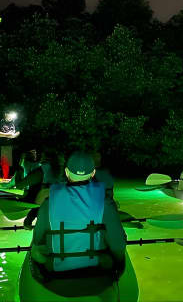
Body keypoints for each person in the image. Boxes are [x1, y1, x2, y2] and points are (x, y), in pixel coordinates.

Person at [30, 151, 126, 284]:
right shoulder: (106, 203)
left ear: (67, 172)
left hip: (56, 270)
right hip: (97, 268)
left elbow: (38, 240)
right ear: (93, 174)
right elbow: (118, 245)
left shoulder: (48, 203)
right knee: (114, 252)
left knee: (35, 250)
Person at [12, 148, 65, 229]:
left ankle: (28, 221)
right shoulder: (64, 171)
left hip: (42, 203)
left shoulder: (41, 171)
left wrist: (19, 172)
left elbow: (20, 185)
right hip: (60, 205)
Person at [0, 111, 20, 179]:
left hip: (8, 146)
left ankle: (5, 178)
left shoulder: (13, 123)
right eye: (10, 115)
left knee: (6, 163)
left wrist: (14, 136)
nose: (11, 117)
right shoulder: (1, 122)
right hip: (1, 144)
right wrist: (7, 135)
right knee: (3, 163)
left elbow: (18, 131)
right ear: (6, 114)